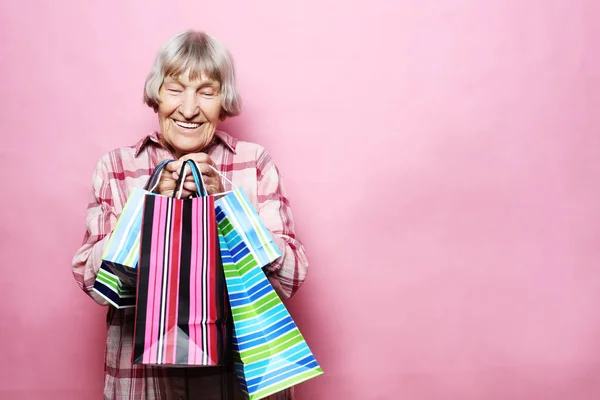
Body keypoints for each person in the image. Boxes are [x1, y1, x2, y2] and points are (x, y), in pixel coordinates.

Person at [72, 29, 309, 400]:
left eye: (206, 91)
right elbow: (95, 285)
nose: (188, 108)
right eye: (175, 88)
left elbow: (291, 277)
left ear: (223, 100)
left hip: (235, 381)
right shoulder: (117, 168)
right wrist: (146, 210)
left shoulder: (253, 164)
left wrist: (229, 204)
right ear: (156, 94)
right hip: (143, 385)